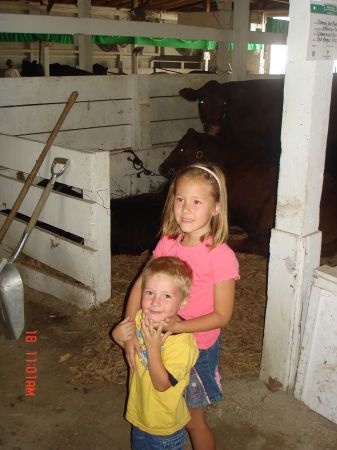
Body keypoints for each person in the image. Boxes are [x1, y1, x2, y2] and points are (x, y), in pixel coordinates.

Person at [123, 163, 240, 450]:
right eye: (180, 199)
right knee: (155, 402)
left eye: (197, 201)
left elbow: (222, 315)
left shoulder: (220, 256)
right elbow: (140, 284)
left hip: (197, 347)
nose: (186, 209)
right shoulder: (167, 242)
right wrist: (128, 331)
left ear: (216, 207)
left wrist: (178, 326)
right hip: (156, 337)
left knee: (191, 419)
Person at [112, 256, 199, 450]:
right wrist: (118, 335)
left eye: (167, 296)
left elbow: (162, 384)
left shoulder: (182, 343)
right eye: (149, 293)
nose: (155, 302)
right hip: (140, 416)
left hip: (164, 429)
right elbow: (132, 349)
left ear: (183, 302)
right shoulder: (140, 319)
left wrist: (153, 348)